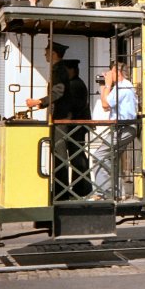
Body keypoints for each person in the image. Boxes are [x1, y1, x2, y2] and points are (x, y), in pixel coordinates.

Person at [25, 42, 75, 199]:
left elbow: (58, 92)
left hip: (61, 118)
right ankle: (60, 190)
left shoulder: (59, 69)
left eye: (46, 52)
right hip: (58, 117)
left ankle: (62, 192)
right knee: (57, 153)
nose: (44, 54)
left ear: (54, 53)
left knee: (59, 154)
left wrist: (39, 102)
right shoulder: (57, 69)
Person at [92, 61, 138, 200]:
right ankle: (116, 193)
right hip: (123, 129)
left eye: (110, 72)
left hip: (124, 128)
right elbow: (106, 106)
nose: (108, 74)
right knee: (111, 159)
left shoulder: (123, 88)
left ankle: (104, 192)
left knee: (99, 155)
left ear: (117, 73)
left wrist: (107, 84)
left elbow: (105, 103)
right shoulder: (121, 87)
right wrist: (103, 86)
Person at [62, 59, 92, 197]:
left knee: (77, 157)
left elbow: (71, 106)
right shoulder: (74, 83)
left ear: (71, 70)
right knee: (77, 157)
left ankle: (82, 189)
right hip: (75, 127)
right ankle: (80, 189)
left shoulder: (75, 85)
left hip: (76, 128)